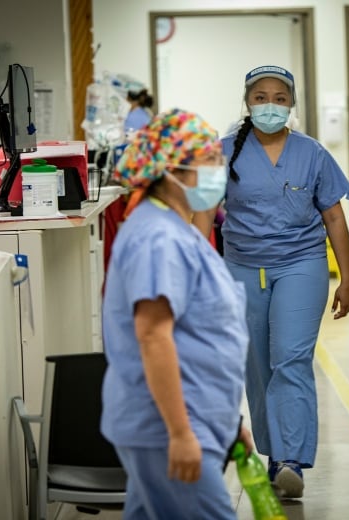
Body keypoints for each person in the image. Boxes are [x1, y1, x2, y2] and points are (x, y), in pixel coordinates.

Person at [101, 108, 253, 519]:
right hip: (167, 427)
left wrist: (226, 421)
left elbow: (199, 334)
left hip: (191, 417)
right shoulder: (158, 238)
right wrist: (182, 433)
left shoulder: (177, 228)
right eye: (210, 161)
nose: (220, 169)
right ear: (173, 169)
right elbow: (154, 337)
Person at [221, 65, 349, 499]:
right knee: (258, 366)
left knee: (290, 359)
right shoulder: (222, 152)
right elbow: (200, 214)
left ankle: (289, 458)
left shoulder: (312, 153)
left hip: (301, 265)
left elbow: (334, 216)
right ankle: (274, 449)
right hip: (242, 268)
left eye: (280, 98)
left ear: (292, 104)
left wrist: (348, 277)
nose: (270, 106)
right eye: (261, 97)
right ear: (247, 102)